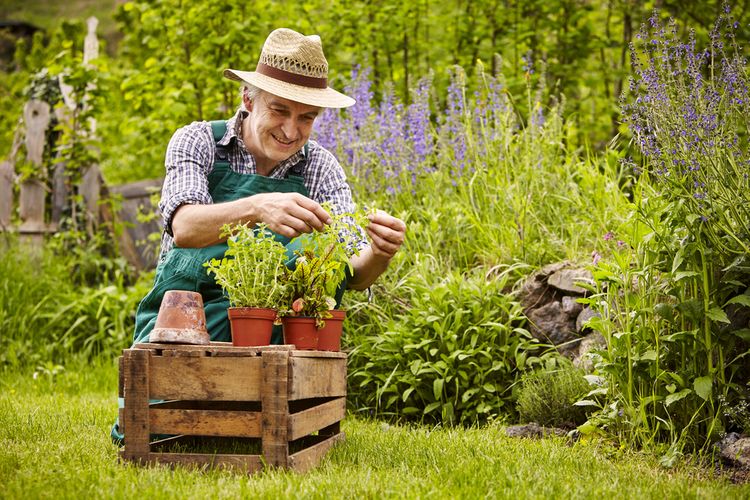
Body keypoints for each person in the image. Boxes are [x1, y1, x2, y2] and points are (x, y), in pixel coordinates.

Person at [132, 27, 406, 345]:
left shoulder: (320, 167)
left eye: (306, 117)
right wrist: (258, 207)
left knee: (322, 253)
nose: (291, 131)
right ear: (249, 98)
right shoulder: (199, 142)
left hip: (278, 342)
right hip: (182, 331)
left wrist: (378, 252)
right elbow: (184, 227)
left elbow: (353, 270)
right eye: (279, 110)